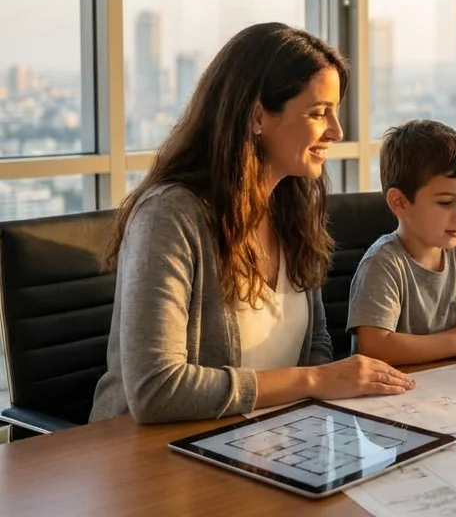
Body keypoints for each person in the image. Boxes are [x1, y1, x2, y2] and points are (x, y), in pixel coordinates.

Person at [90, 23, 414, 424]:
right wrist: (313, 381)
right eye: (318, 113)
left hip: (266, 438)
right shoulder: (168, 216)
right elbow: (155, 390)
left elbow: (315, 344)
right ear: (257, 116)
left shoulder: (293, 206)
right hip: (153, 450)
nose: (336, 130)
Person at [347, 120, 456, 365]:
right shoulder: (384, 263)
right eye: (446, 202)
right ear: (400, 202)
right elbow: (374, 347)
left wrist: (428, 346)